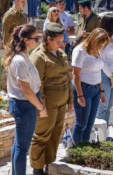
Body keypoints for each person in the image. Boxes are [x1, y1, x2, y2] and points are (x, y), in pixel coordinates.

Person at [3, 24, 47, 175]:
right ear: (26, 40)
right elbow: (26, 90)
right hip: (24, 105)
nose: (38, 41)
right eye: (36, 38)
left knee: (18, 145)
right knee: (22, 148)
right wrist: (41, 108)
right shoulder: (20, 61)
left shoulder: (24, 56)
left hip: (24, 104)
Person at [29, 23, 71, 175]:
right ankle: (37, 168)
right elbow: (37, 85)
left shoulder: (60, 53)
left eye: (62, 41)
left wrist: (70, 99)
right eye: (58, 42)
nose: (61, 45)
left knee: (55, 133)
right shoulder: (38, 56)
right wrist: (42, 107)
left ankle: (49, 163)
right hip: (48, 101)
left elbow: (68, 76)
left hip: (62, 99)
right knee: (42, 134)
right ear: (48, 39)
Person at [72, 28, 113, 144]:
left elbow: (97, 70)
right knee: (82, 123)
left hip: (95, 89)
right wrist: (80, 95)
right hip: (84, 88)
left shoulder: (98, 51)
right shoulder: (80, 51)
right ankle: (77, 149)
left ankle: (85, 147)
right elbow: (75, 74)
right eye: (100, 44)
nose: (101, 47)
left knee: (90, 123)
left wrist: (101, 90)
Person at [95, 14, 113, 124]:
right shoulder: (101, 40)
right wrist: (111, 78)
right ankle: (99, 134)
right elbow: (102, 61)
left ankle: (104, 132)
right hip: (105, 76)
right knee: (103, 107)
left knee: (110, 106)